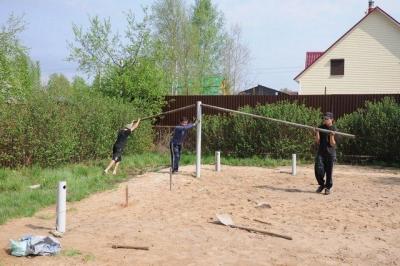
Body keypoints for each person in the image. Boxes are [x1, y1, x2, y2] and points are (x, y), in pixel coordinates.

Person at [314, 112, 337, 195]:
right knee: (318, 169)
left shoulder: (334, 129)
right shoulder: (320, 128)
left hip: (330, 153)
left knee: (329, 172)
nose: (325, 120)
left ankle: (327, 188)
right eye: (324, 118)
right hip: (321, 152)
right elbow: (317, 141)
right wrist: (317, 132)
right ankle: (321, 185)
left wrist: (331, 136)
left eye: (327, 118)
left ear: (332, 120)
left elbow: (333, 144)